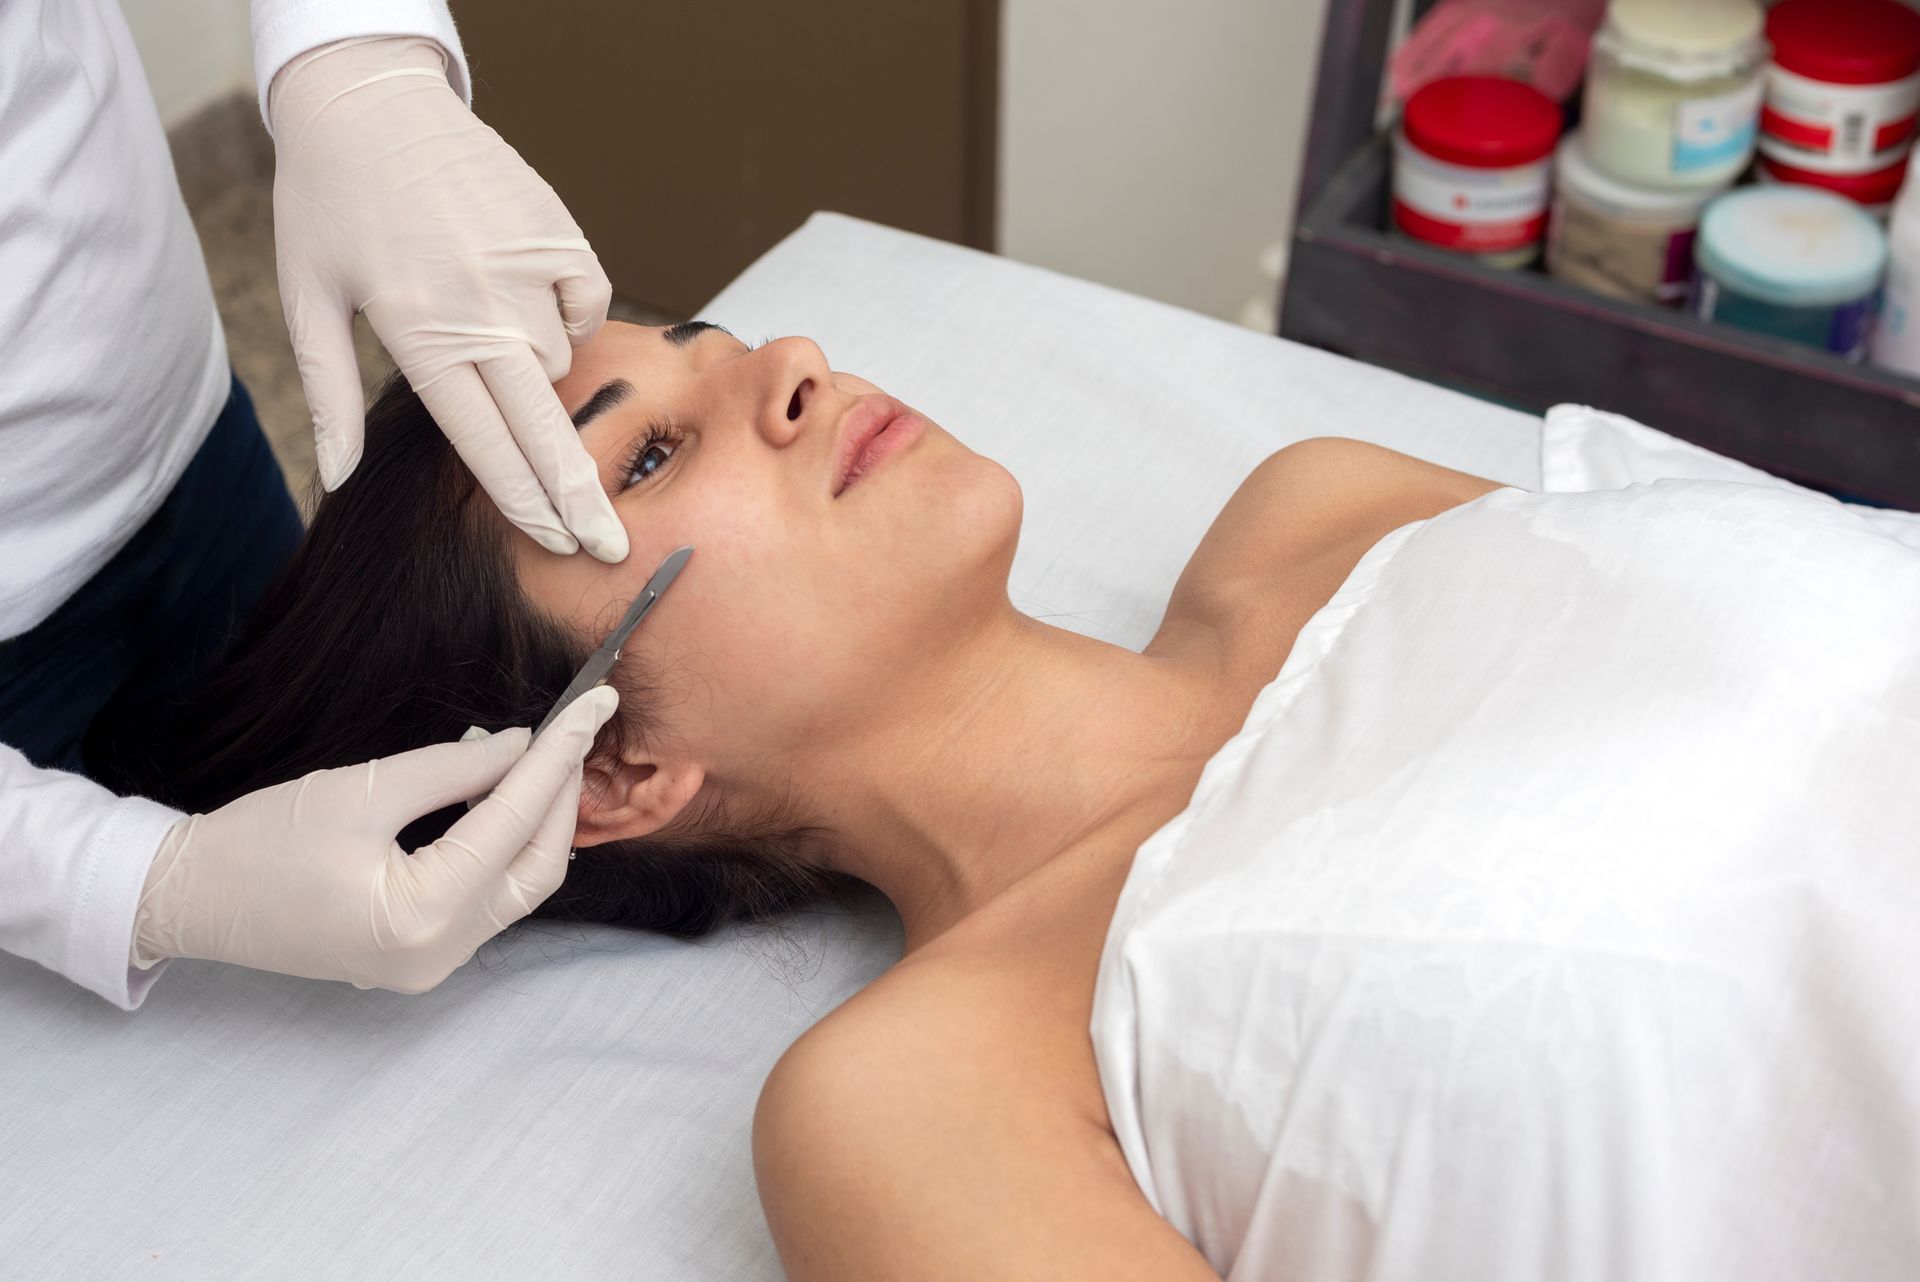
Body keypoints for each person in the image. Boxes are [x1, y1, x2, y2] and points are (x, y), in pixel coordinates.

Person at [160, 317, 1920, 1279]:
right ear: (614, 767)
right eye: (652, 450)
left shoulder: (1320, 512)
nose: (783, 357)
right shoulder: (923, 1102)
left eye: (698, 340)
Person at [0, 0, 632, 1010]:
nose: (798, 361)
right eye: (646, 461)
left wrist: (353, 48)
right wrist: (141, 886)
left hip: (184, 435)